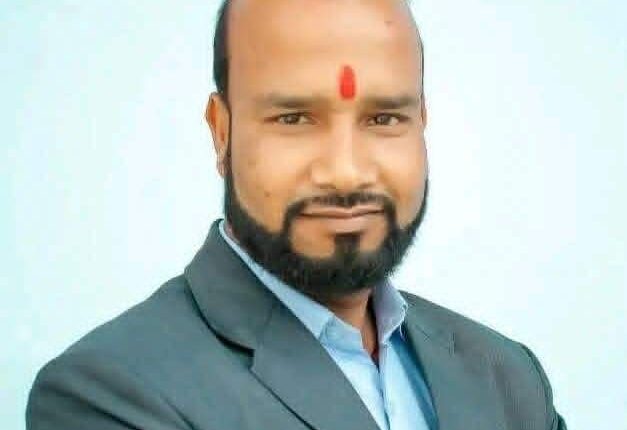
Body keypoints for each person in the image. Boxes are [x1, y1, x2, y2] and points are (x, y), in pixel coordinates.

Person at [26, 0, 567, 429]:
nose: (346, 173)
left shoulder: (507, 377)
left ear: (422, 125)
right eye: (294, 118)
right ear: (221, 132)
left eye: (384, 118)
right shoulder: (109, 394)